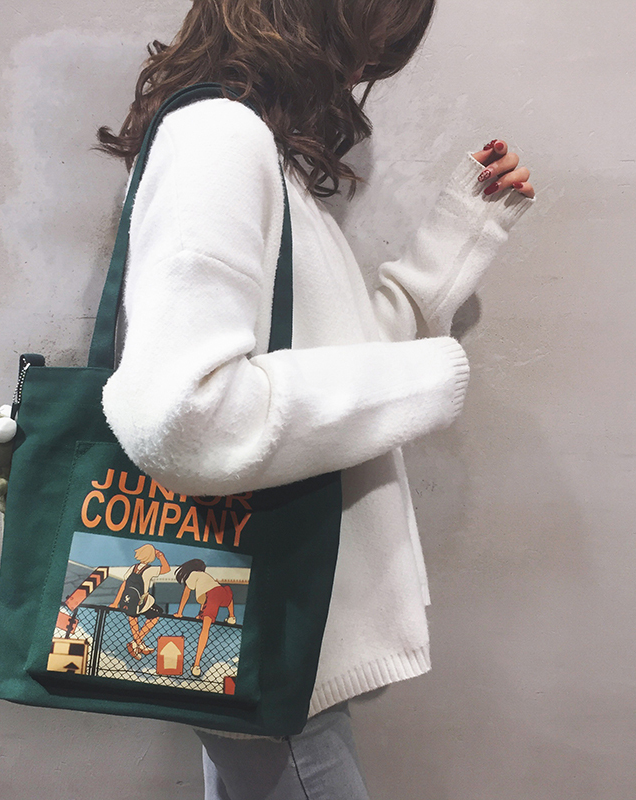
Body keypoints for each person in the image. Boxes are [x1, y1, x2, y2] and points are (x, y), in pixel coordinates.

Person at [98, 1, 535, 797]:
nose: (366, 70)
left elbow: (340, 355)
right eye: (371, 40)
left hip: (262, 628)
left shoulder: (255, 152)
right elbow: (187, 420)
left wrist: (464, 228)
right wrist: (431, 378)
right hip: (270, 627)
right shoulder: (217, 138)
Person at [173, 558, 238, 678]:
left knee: (205, 629)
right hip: (221, 593)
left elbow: (187, 593)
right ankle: (232, 616)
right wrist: (201, 613)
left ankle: (196, 664)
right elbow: (205, 598)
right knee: (227, 591)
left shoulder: (193, 574)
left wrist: (179, 612)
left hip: (211, 596)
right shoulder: (206, 577)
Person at [110, 544, 170, 659]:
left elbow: (124, 584)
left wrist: (115, 602)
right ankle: (137, 642)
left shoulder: (133, 567)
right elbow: (166, 569)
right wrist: (161, 556)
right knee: (156, 613)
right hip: (142, 602)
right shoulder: (150, 570)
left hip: (127, 601)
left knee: (133, 617)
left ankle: (137, 643)